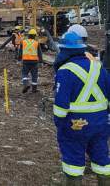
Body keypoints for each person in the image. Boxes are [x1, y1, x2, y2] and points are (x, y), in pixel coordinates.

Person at [53, 31, 110, 186]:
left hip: (75, 125)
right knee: (102, 161)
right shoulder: (99, 68)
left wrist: (60, 124)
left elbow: (61, 106)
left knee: (74, 164)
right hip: (100, 124)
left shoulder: (65, 71)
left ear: (63, 50)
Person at [18, 29, 43, 93]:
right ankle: (34, 88)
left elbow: (20, 52)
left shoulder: (23, 42)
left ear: (28, 35)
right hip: (34, 62)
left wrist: (18, 59)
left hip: (26, 61)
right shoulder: (36, 43)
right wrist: (41, 61)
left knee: (24, 73)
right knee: (34, 75)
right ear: (34, 36)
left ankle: (26, 84)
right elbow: (40, 53)